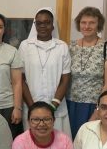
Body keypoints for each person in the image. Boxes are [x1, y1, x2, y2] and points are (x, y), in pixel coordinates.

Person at [18, 7, 72, 136]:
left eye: (47, 22)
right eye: (39, 23)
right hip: (31, 105)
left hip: (56, 108)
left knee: (57, 142)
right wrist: (33, 108)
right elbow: (21, 79)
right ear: (35, 25)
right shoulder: (25, 46)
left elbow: (65, 80)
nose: (43, 26)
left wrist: (53, 106)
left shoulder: (62, 47)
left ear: (53, 25)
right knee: (32, 143)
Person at [67, 7, 107, 138]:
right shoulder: (70, 47)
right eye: (83, 22)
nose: (87, 26)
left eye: (92, 23)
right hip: (70, 104)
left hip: (93, 105)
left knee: (90, 140)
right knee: (71, 140)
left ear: (98, 25)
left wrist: (99, 109)